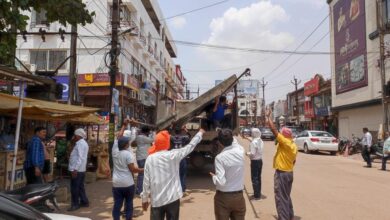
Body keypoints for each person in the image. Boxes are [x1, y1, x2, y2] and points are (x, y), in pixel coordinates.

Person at [141, 128, 204, 220]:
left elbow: (146, 181)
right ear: (167, 143)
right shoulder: (173, 155)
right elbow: (190, 146)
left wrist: (144, 199)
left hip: (156, 200)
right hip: (173, 199)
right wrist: (200, 133)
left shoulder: (150, 159)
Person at [266, 108, 297, 220]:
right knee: (286, 196)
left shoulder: (285, 142)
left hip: (282, 174)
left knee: (280, 197)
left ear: (285, 136)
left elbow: (274, 130)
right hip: (289, 172)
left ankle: (283, 218)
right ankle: (289, 216)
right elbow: (294, 161)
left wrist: (268, 117)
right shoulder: (293, 145)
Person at [210, 129, 246, 220]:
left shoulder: (220, 158)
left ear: (220, 143)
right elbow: (235, 142)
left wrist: (214, 177)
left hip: (223, 198)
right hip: (239, 197)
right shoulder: (241, 151)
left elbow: (221, 182)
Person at [112, 136, 144, 220]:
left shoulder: (114, 152)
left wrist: (124, 125)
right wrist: (143, 169)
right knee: (129, 203)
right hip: (128, 183)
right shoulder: (128, 154)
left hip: (116, 183)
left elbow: (117, 138)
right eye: (128, 143)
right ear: (126, 145)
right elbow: (133, 169)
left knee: (117, 204)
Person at [68, 128, 90, 211]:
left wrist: (75, 169)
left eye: (75, 135)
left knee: (75, 188)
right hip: (80, 169)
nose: (74, 137)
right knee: (80, 187)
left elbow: (80, 158)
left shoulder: (80, 144)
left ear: (77, 135)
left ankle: (75, 204)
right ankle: (84, 201)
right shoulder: (82, 143)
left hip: (77, 170)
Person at [242, 128, 264, 200]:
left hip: (254, 162)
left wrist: (246, 153)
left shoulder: (253, 143)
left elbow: (252, 153)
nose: (251, 134)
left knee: (254, 178)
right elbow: (253, 141)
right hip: (260, 161)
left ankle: (256, 196)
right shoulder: (260, 140)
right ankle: (258, 193)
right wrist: (246, 138)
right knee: (258, 178)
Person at [170, 126, 191, 195]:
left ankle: (175, 189)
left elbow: (167, 134)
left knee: (175, 174)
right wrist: (186, 130)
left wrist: (171, 128)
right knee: (182, 174)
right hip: (181, 157)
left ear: (174, 131)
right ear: (181, 131)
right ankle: (182, 190)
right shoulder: (183, 137)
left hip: (174, 158)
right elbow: (189, 136)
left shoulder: (172, 138)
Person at [135, 126, 155, 195]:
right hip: (143, 158)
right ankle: (140, 190)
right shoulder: (143, 137)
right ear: (146, 132)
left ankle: (139, 189)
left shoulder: (138, 137)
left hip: (140, 157)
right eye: (148, 131)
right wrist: (153, 132)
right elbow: (152, 140)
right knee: (142, 174)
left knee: (142, 174)